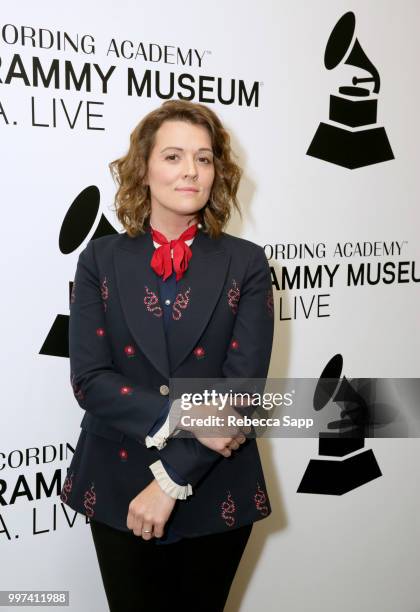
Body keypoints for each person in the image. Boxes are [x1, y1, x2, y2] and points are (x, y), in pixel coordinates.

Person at [60, 99, 274, 611]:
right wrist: (185, 415)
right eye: (174, 156)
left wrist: (172, 477)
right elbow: (90, 379)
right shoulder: (100, 257)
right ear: (145, 168)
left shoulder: (246, 262)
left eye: (203, 159)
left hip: (215, 482)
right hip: (116, 482)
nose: (190, 172)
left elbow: (241, 392)